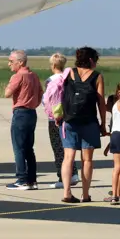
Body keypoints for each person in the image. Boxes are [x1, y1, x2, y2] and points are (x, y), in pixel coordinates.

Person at [58, 47, 107, 203]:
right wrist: (103, 123)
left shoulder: (68, 73)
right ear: (92, 60)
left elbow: (59, 93)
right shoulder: (97, 77)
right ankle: (85, 194)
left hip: (69, 120)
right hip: (89, 121)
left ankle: (67, 193)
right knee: (87, 160)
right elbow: (101, 102)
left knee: (68, 158)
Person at [4, 50, 42, 190]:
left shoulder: (18, 76)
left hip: (20, 112)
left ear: (20, 62)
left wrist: (9, 85)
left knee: (18, 147)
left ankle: (21, 179)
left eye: (11, 61)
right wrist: (32, 103)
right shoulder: (34, 76)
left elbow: (7, 93)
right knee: (28, 148)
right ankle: (32, 180)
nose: (9, 64)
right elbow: (40, 94)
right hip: (31, 113)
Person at [40, 52, 78, 189]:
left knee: (58, 148)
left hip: (55, 118)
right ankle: (73, 173)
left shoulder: (51, 80)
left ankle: (62, 177)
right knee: (69, 148)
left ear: (53, 65)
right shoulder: (68, 77)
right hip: (68, 116)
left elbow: (48, 100)